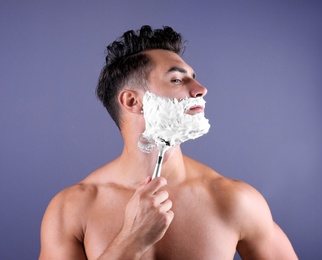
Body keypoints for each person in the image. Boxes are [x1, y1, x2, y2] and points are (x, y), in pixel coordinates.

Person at [39, 25, 297, 259]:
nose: (200, 89)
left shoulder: (234, 200)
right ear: (132, 101)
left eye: (193, 77)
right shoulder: (72, 208)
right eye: (176, 79)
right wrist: (131, 239)